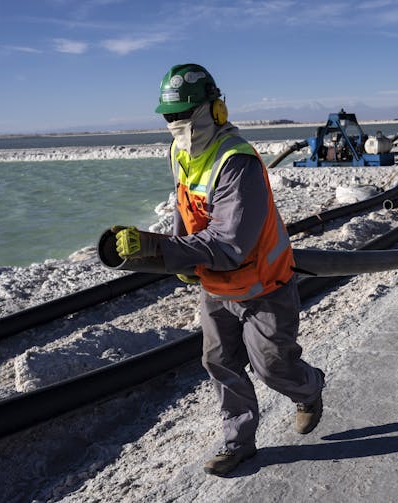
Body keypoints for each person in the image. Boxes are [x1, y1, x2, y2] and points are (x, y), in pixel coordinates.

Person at [111, 63, 325, 476]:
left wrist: (160, 249)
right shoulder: (179, 152)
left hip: (263, 284)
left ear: (217, 109)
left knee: (272, 367)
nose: (177, 124)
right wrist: (181, 256)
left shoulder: (236, 162)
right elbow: (183, 204)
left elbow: (229, 244)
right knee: (220, 363)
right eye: (170, 116)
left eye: (185, 114)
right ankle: (238, 442)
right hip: (215, 284)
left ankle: (309, 387)